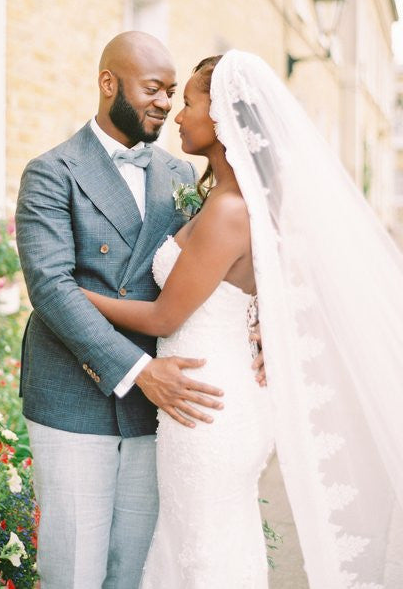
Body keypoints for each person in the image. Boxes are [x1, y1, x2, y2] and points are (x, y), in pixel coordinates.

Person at [83, 49, 403, 588]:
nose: (178, 116)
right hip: (219, 396)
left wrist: (72, 294)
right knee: (210, 546)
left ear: (224, 115)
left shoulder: (230, 211)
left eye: (188, 103)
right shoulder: (236, 200)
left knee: (203, 553)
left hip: (207, 409)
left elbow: (163, 317)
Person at [15, 32, 266, 589]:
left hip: (166, 409)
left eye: (175, 92)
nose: (166, 104)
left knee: (137, 568)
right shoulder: (51, 172)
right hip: (76, 399)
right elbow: (50, 286)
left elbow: (235, 262)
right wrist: (139, 371)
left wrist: (262, 327)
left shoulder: (184, 176)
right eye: (153, 88)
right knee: (74, 570)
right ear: (110, 84)